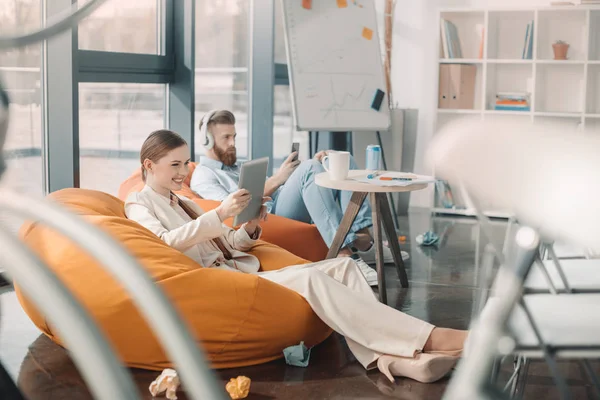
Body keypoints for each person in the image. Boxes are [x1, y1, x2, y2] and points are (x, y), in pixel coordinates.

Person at [125, 129, 468, 384]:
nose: (183, 172)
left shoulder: (183, 201)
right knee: (310, 276)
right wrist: (219, 213)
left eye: (185, 163)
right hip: (219, 283)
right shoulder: (139, 203)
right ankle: (429, 338)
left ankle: (391, 361)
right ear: (149, 165)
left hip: (236, 267)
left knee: (344, 267)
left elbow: (231, 243)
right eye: (175, 165)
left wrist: (251, 227)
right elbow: (165, 244)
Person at [189, 110, 408, 287]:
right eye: (226, 138)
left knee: (340, 159)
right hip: (267, 220)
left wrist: (291, 175)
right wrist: (279, 178)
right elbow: (233, 207)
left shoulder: (236, 166)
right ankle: (344, 255)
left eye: (234, 136)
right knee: (310, 168)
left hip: (277, 205)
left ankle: (364, 241)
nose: (232, 142)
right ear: (207, 141)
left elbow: (271, 190)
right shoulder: (203, 175)